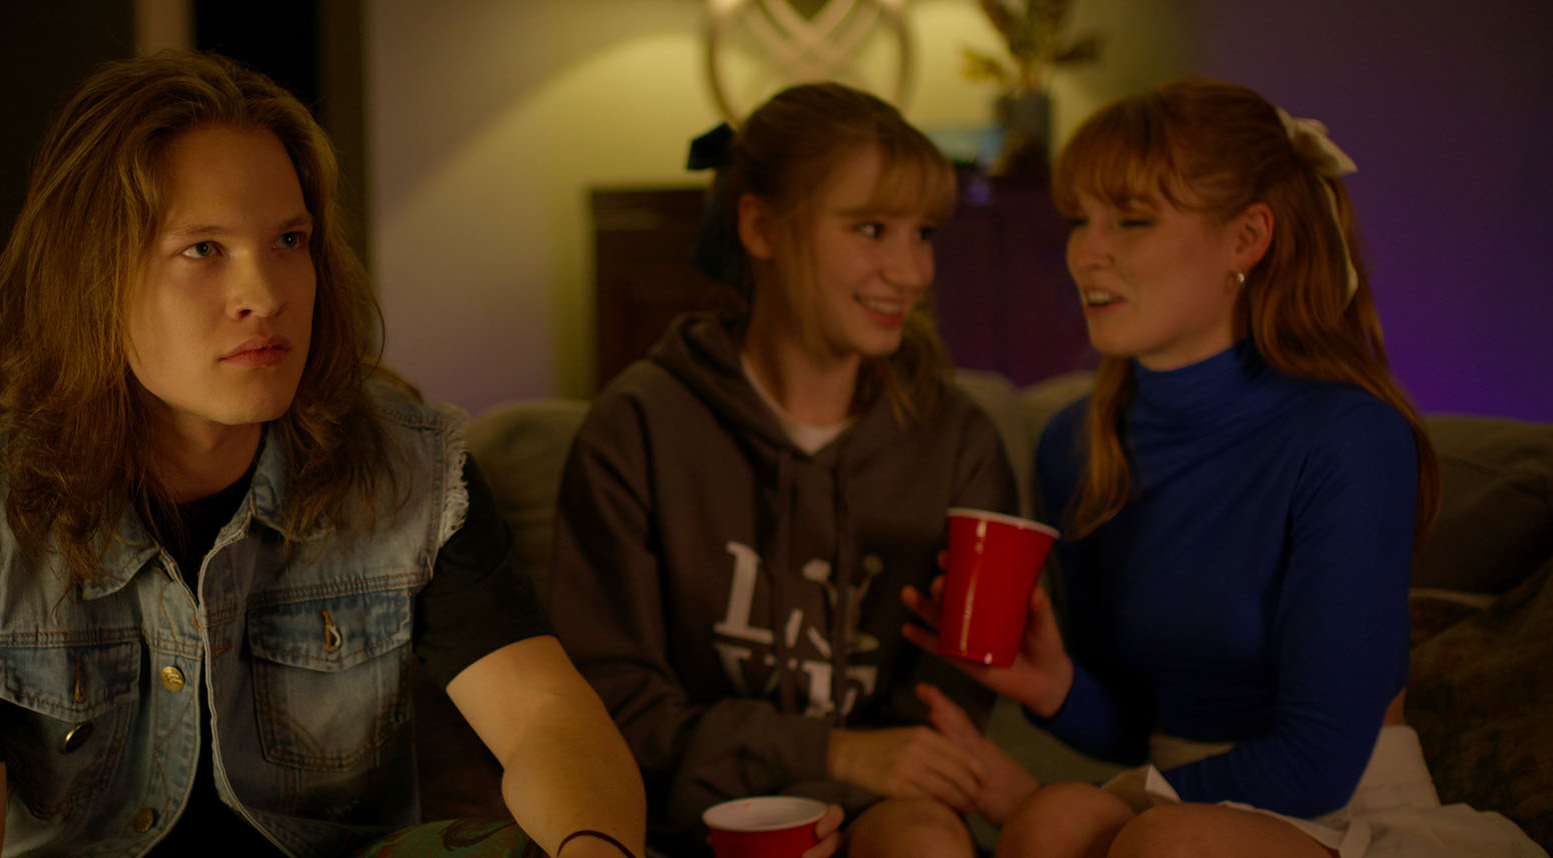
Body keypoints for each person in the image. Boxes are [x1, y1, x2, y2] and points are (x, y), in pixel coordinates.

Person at [0, 50, 646, 858]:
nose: (265, 296)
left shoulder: (409, 468)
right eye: (204, 249)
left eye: (289, 240)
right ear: (91, 275)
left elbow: (547, 717)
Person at [900, 78, 1547, 858]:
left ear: (1246, 239)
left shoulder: (1349, 435)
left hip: (1346, 810)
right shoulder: (1076, 445)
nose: (1084, 253)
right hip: (1176, 802)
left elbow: (1318, 763)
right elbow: (1141, 725)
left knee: (1142, 837)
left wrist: (1086, 799)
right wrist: (1056, 685)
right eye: (1078, 220)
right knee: (1059, 827)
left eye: (1131, 220)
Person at [547, 82, 1036, 858]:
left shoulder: (958, 443)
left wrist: (850, 788)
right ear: (761, 227)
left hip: (888, 810)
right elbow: (610, 708)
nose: (912, 271)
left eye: (923, 234)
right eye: (871, 229)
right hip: (696, 816)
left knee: (922, 841)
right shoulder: (638, 427)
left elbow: (941, 723)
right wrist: (825, 752)